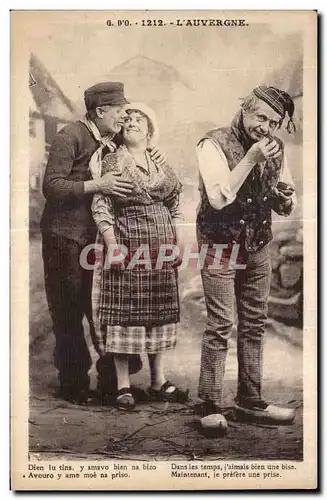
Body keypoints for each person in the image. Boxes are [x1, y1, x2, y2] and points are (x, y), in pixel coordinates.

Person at [40, 83, 167, 405]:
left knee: (101, 310)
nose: (126, 118)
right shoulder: (70, 136)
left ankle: (113, 383)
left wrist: (153, 151)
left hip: (92, 239)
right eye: (120, 111)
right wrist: (99, 184)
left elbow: (137, 154)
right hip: (64, 239)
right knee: (68, 312)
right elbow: (51, 186)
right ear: (101, 112)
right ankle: (74, 385)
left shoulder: (108, 141)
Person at [196, 85, 298, 428]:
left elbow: (287, 196)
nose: (265, 128)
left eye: (273, 122)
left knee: (254, 323)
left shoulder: (277, 148)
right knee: (221, 324)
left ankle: (250, 401)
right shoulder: (212, 142)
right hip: (219, 243)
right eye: (260, 118)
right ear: (244, 111)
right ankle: (209, 405)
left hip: (257, 245)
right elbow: (219, 199)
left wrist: (285, 200)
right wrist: (251, 159)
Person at [91, 102, 188, 410]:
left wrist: (180, 240)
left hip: (161, 246)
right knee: (124, 315)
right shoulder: (111, 161)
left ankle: (158, 381)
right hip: (128, 242)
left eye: (139, 119)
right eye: (128, 119)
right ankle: (123, 385)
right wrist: (112, 244)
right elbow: (102, 205)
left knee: (158, 314)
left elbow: (175, 203)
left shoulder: (160, 163)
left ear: (149, 130)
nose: (132, 122)